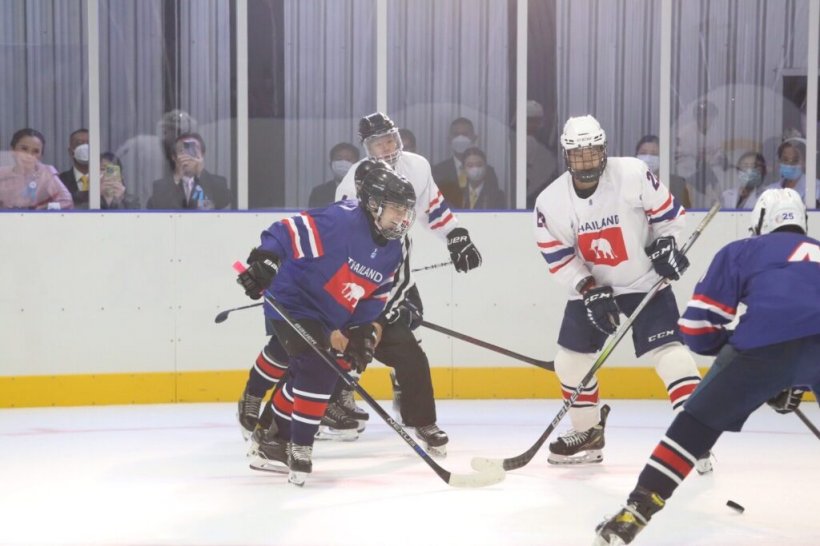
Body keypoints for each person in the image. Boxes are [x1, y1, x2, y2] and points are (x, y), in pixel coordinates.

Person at [593, 187, 820, 546]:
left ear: (759, 223)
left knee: (695, 425)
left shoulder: (743, 251)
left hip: (762, 346)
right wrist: (792, 379)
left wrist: (743, 357)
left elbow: (697, 329)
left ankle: (632, 515)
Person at [532, 115, 710, 469]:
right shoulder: (551, 202)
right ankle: (589, 434)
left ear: (604, 150)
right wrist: (588, 287)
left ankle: (696, 436)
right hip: (595, 288)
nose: (586, 161)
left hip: (644, 281)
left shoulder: (631, 173)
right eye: (578, 155)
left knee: (669, 352)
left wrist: (666, 245)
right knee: (570, 362)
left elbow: (670, 216)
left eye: (592, 152)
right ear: (567, 156)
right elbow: (558, 257)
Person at [235, 165, 416, 486]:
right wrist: (266, 260)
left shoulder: (394, 247)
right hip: (293, 299)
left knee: (311, 367)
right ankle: (286, 438)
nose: (402, 218)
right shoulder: (340, 222)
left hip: (331, 312)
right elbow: (285, 231)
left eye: (406, 211)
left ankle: (270, 438)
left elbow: (375, 293)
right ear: (373, 204)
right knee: (313, 366)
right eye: (396, 209)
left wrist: (362, 329)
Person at [115, 109, 197, 208]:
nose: (180, 136)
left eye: (185, 133)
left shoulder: (191, 176)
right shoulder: (142, 148)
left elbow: (205, 206)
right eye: (175, 130)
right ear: (165, 130)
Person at [146, 132, 231, 210]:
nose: (188, 156)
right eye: (182, 151)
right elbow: (158, 207)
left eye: (193, 151)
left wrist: (200, 173)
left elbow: (222, 203)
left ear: (202, 154)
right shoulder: (160, 187)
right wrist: (177, 177)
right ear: (174, 157)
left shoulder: (218, 183)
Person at [432, 117, 500, 208]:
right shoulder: (438, 171)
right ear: (449, 139)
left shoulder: (488, 172)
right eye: (456, 134)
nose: (460, 138)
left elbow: (494, 202)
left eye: (465, 134)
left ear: (474, 138)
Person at [0, 128, 73, 210]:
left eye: (35, 151)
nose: (29, 155)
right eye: (24, 149)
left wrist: (42, 209)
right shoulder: (2, 174)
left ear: (41, 156)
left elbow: (67, 201)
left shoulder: (46, 173)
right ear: (12, 150)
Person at [635, 134, 692, 209]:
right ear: (636, 156)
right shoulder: (628, 182)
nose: (648, 158)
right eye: (643, 153)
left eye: (654, 154)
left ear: (662, 157)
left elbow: (686, 213)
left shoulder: (677, 184)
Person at [759, 139, 820, 208]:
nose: (789, 164)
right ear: (779, 161)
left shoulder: (816, 188)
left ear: (805, 162)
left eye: (795, 160)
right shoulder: (770, 190)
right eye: (785, 160)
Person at [524, 100, 560, 208]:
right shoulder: (527, 141)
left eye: (537, 120)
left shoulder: (541, 141)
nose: (536, 124)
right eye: (531, 120)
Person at [307, 142, 359, 208]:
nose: (343, 163)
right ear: (331, 164)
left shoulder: (366, 191)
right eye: (339, 159)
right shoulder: (319, 192)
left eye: (348, 159)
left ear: (358, 165)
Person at [58, 128, 90, 208]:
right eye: (79, 143)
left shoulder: (105, 179)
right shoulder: (59, 181)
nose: (85, 147)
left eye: (89, 143)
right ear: (70, 151)